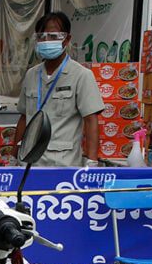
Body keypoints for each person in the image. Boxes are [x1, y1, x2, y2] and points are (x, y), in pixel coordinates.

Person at [15, 11, 104, 167]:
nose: (46, 41)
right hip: (29, 163)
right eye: (41, 37)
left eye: (53, 36)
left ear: (67, 39)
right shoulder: (31, 75)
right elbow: (24, 117)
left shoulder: (81, 75)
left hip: (63, 164)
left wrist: (92, 161)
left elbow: (91, 120)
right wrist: (13, 155)